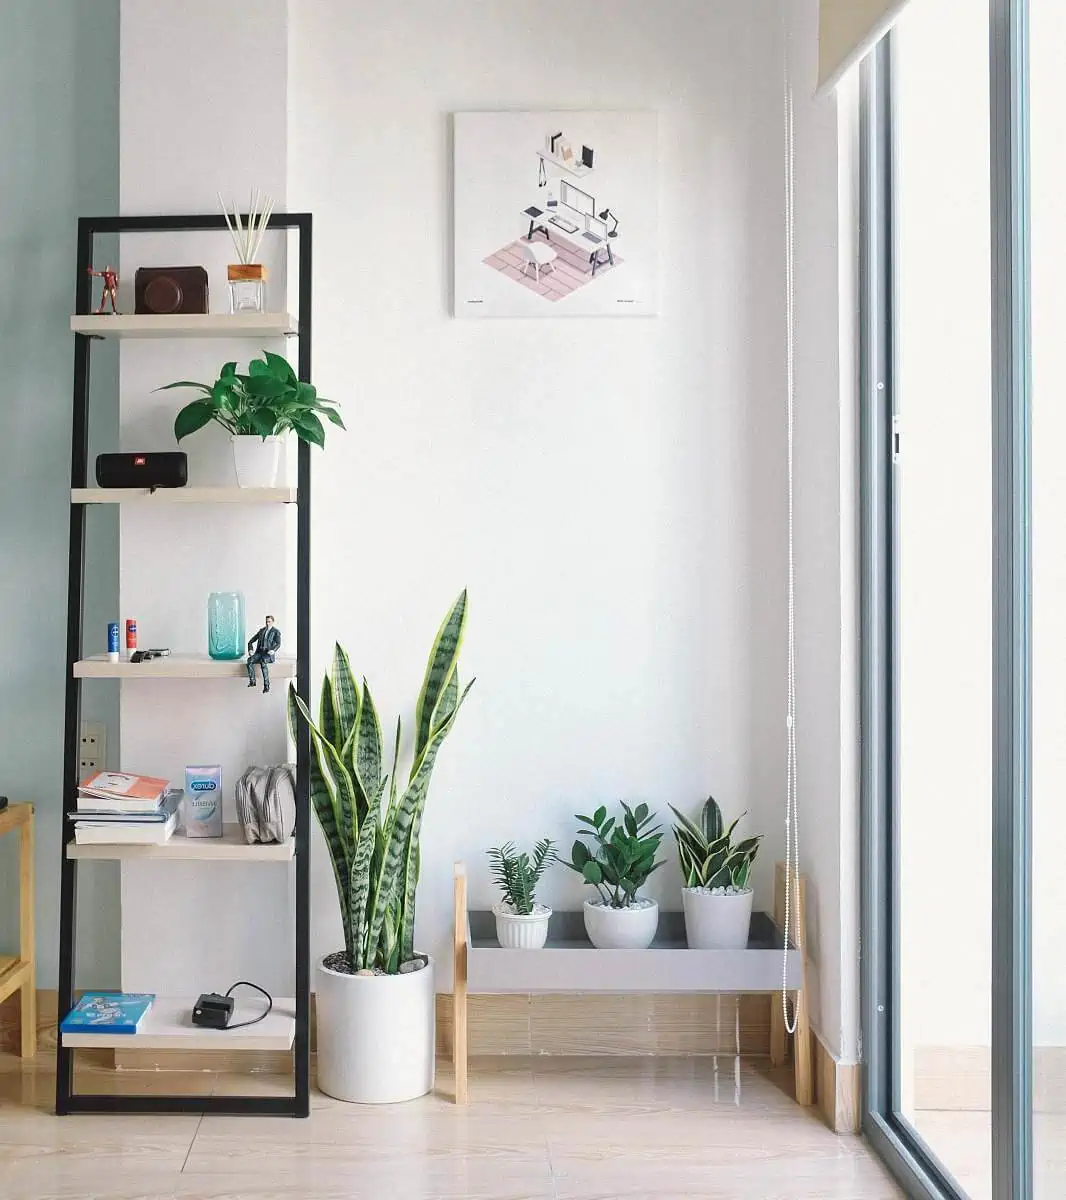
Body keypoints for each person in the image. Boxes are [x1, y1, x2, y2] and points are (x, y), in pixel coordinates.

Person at [247, 615, 281, 693]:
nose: (267, 623)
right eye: (266, 621)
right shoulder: (261, 630)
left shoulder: (276, 631)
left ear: (272, 622)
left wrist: (273, 650)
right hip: (260, 652)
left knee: (263, 662)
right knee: (249, 661)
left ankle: (266, 685)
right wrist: (250, 650)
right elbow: (251, 641)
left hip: (268, 654)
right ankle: (252, 681)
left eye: (269, 622)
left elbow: (278, 643)